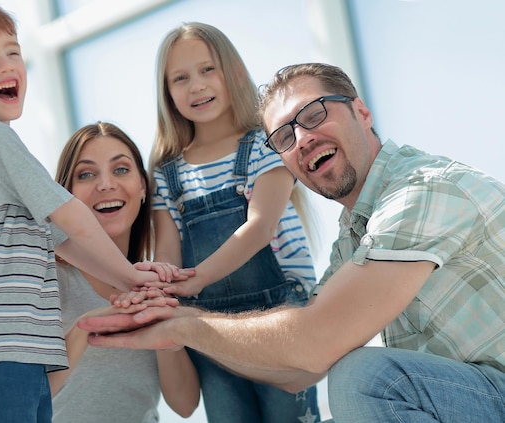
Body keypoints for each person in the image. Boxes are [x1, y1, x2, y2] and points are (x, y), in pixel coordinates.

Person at [80, 62, 505, 423]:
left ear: (362, 110)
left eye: (314, 114)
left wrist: (187, 321)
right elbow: (298, 370)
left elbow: (314, 340)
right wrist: (177, 328)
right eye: (284, 136)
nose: (301, 138)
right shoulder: (354, 239)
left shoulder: (421, 191)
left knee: (367, 378)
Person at [0, 4, 171, 422]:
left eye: (13, 52)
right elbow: (70, 216)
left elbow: (66, 243)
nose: (6, 65)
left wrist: (128, 284)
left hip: (16, 353)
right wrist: (131, 275)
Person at [145, 22, 320, 423]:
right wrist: (161, 290)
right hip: (209, 329)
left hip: (280, 316)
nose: (196, 86)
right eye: (180, 78)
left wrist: (200, 275)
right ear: (167, 92)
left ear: (234, 72)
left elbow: (259, 228)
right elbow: (167, 254)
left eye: (208, 70)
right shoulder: (167, 173)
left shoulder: (264, 143)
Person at [48, 122, 200, 422]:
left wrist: (161, 320)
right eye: (86, 174)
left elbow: (185, 404)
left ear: (142, 187)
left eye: (120, 170)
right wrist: (88, 326)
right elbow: (17, 398)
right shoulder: (48, 279)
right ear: (66, 196)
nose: (105, 184)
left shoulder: (156, 287)